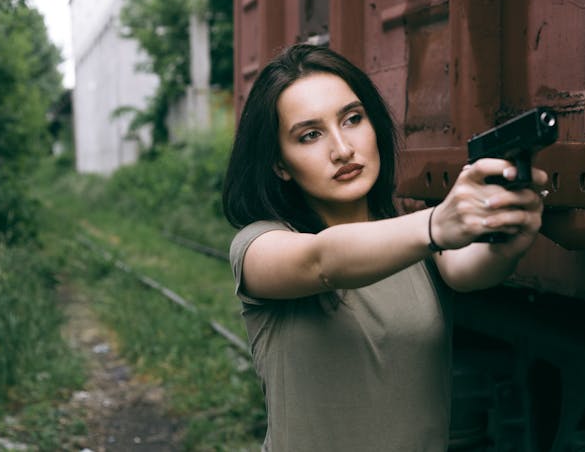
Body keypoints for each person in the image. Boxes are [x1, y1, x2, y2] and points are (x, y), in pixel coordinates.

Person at [222, 43, 548, 451]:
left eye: (353, 119)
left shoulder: (410, 234)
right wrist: (437, 222)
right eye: (309, 135)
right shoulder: (259, 245)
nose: (342, 149)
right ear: (280, 164)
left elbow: (472, 270)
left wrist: (509, 230)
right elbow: (322, 261)